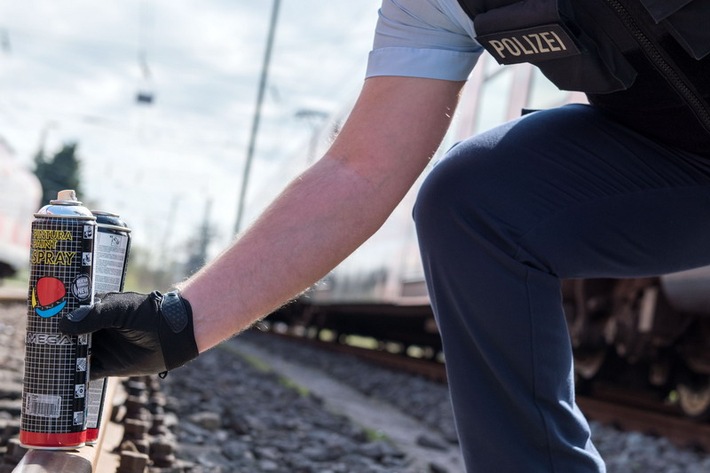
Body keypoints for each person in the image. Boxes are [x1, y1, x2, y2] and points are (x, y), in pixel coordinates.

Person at [60, 1, 710, 471]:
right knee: (473, 201)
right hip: (685, 163)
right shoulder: (429, 4)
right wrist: (181, 319)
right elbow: (359, 168)